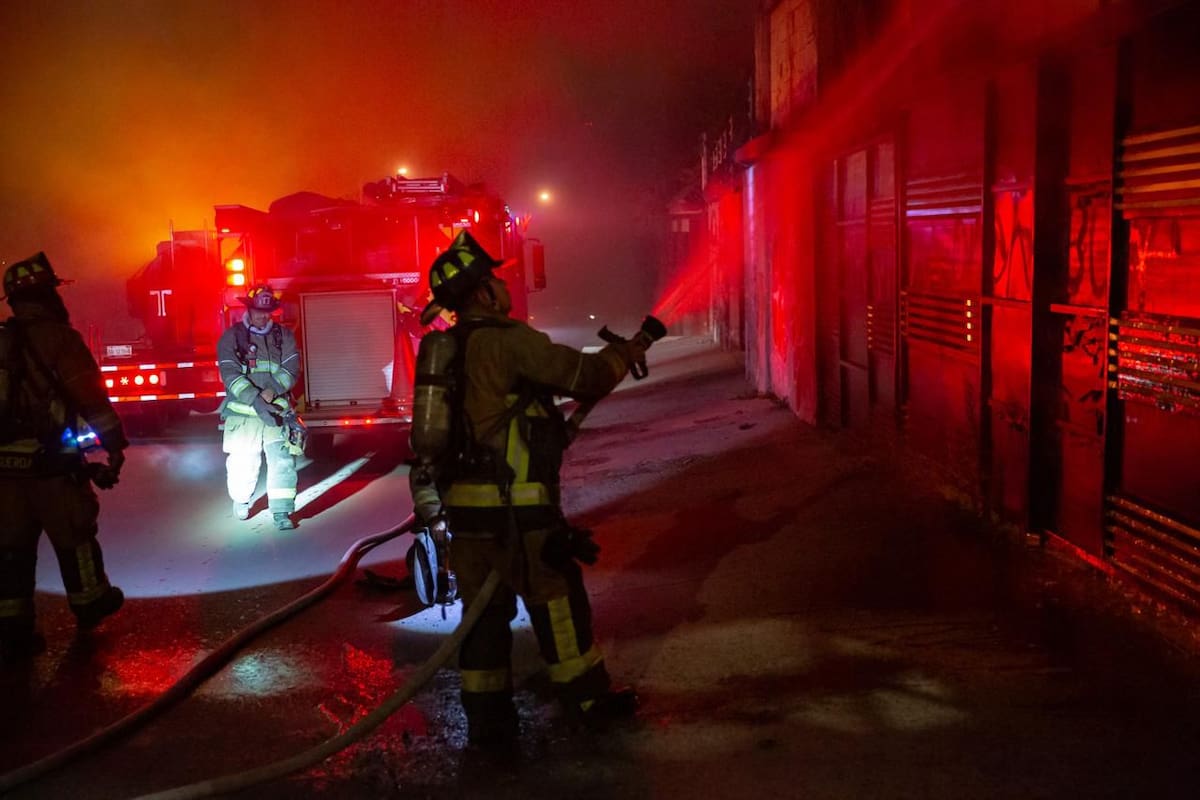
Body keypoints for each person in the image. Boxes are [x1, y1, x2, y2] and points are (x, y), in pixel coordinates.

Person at [408, 231, 646, 751]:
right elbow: (583, 375)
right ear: (481, 293)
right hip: (520, 510)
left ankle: (490, 729)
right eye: (495, 279)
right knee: (557, 601)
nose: (503, 286)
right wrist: (624, 353)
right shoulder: (508, 340)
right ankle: (586, 702)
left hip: (467, 520)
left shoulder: (447, 351)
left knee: (483, 622)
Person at [0, 252, 128, 664]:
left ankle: (14, 630)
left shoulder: (2, 339)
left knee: (10, 551)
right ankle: (90, 604)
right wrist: (115, 444)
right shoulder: (61, 339)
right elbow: (91, 397)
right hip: (52, 466)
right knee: (74, 538)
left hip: (3, 471)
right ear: (47, 295)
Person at [217, 283, 301, 530]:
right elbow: (230, 373)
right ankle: (241, 501)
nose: (263, 317)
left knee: (282, 460)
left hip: (276, 412)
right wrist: (254, 399)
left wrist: (271, 391)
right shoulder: (231, 337)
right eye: (258, 311)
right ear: (248, 309)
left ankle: (282, 511)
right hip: (243, 415)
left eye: (267, 312)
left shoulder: (283, 336)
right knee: (243, 461)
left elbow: (291, 369)